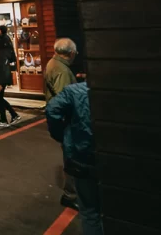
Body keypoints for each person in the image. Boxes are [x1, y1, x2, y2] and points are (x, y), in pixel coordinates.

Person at [46, 81, 101, 235]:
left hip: (82, 157)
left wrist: (62, 135)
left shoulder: (74, 91)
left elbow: (52, 109)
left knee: (90, 211)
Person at [45, 37, 79, 209]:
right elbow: (64, 98)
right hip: (67, 122)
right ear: (71, 53)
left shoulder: (54, 64)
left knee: (71, 155)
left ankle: (72, 193)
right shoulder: (62, 71)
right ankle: (71, 194)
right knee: (71, 156)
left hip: (64, 122)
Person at [0, 39, 21, 128]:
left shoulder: (0, 55)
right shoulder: (2, 53)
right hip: (2, 79)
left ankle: (7, 118)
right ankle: (11, 115)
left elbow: (2, 69)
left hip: (1, 80)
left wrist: (0, 82)